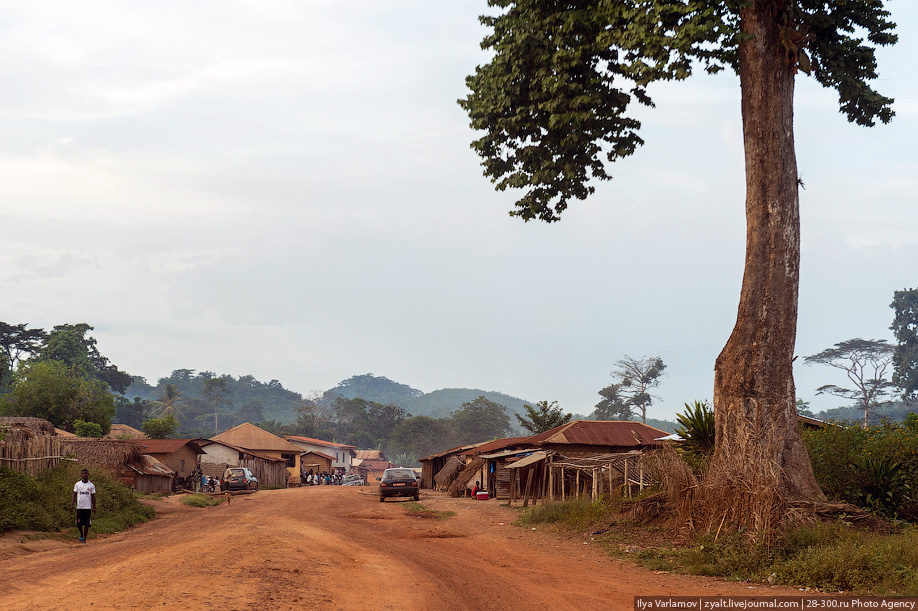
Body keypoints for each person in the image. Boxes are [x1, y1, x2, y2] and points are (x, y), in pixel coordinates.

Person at [71, 469, 96, 544]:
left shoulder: (91, 485)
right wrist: (72, 504)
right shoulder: (78, 484)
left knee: (87, 524)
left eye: (85, 473)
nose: (84, 475)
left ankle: (84, 538)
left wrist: (94, 506)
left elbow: (93, 496)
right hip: (79, 507)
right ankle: (81, 534)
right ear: (81, 475)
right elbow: (74, 494)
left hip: (87, 507)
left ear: (88, 474)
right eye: (82, 473)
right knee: (79, 524)